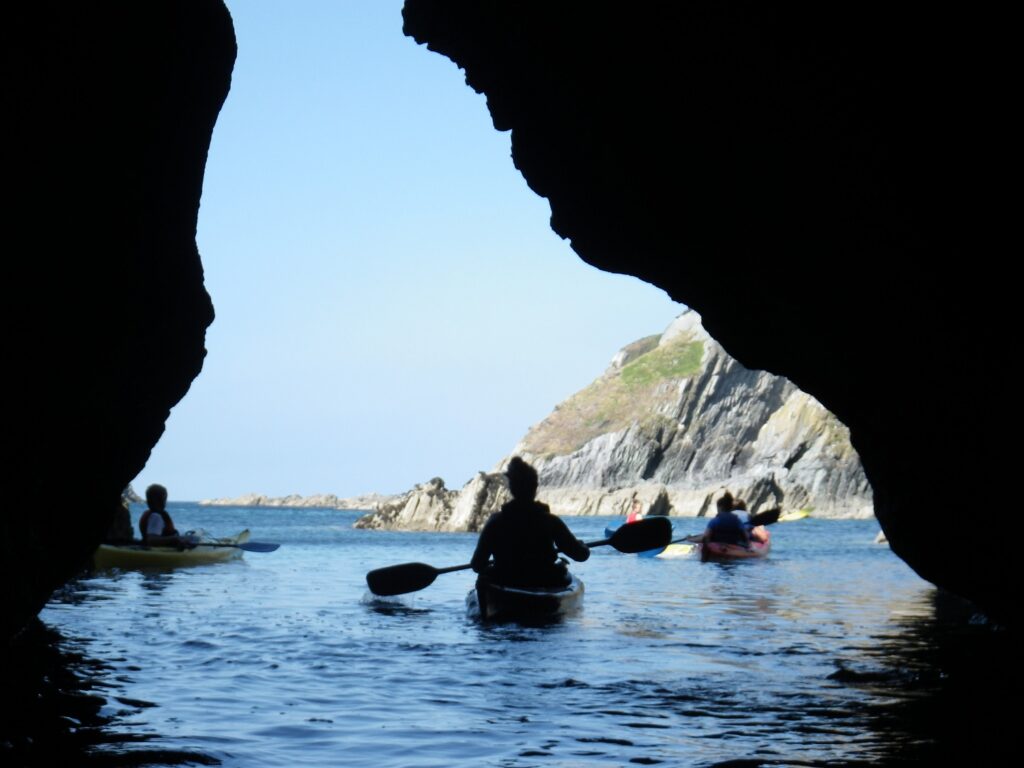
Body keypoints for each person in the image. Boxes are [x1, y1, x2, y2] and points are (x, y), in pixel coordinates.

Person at [471, 457, 590, 588]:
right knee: (561, 568)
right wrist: (583, 547)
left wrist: (492, 565)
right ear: (535, 487)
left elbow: (477, 565)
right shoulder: (550, 521)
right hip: (544, 581)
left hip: (506, 580)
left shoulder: (495, 521)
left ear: (512, 488)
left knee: (485, 576)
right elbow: (580, 555)